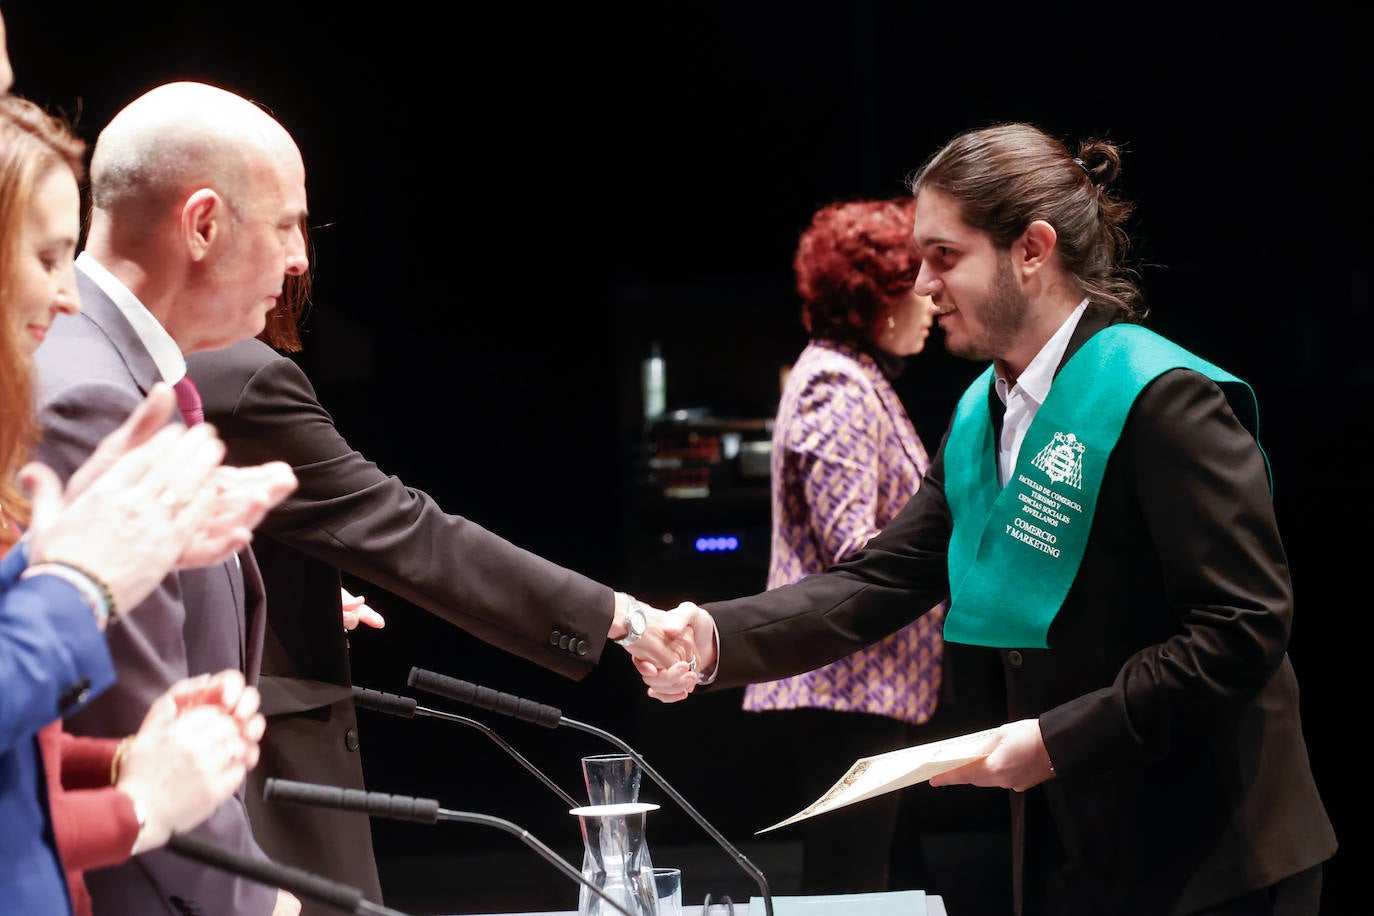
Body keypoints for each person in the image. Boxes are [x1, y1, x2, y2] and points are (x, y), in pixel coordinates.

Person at [632, 122, 1337, 916]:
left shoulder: (1160, 395)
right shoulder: (984, 411)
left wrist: (1055, 740)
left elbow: (1241, 628)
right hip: (1073, 845)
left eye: (945, 256)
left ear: (1031, 250)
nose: (924, 284)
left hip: (1214, 855)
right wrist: (715, 634)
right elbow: (879, 579)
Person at [183, 219, 692, 911]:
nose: (302, 257)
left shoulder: (164, 363)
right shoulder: (236, 372)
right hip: (217, 778)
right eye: (283, 225)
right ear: (206, 224)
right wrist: (619, 616)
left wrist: (248, 590)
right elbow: (407, 528)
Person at [0, 88, 286, 915]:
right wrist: (77, 582)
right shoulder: (81, 389)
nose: (66, 297)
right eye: (48, 258)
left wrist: (125, 765)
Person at [740, 196, 945, 894]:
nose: (932, 303)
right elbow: (854, 551)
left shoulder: (855, 378)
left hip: (866, 682)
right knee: (851, 880)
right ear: (878, 300)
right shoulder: (837, 381)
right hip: (844, 682)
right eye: (917, 286)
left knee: (875, 875)